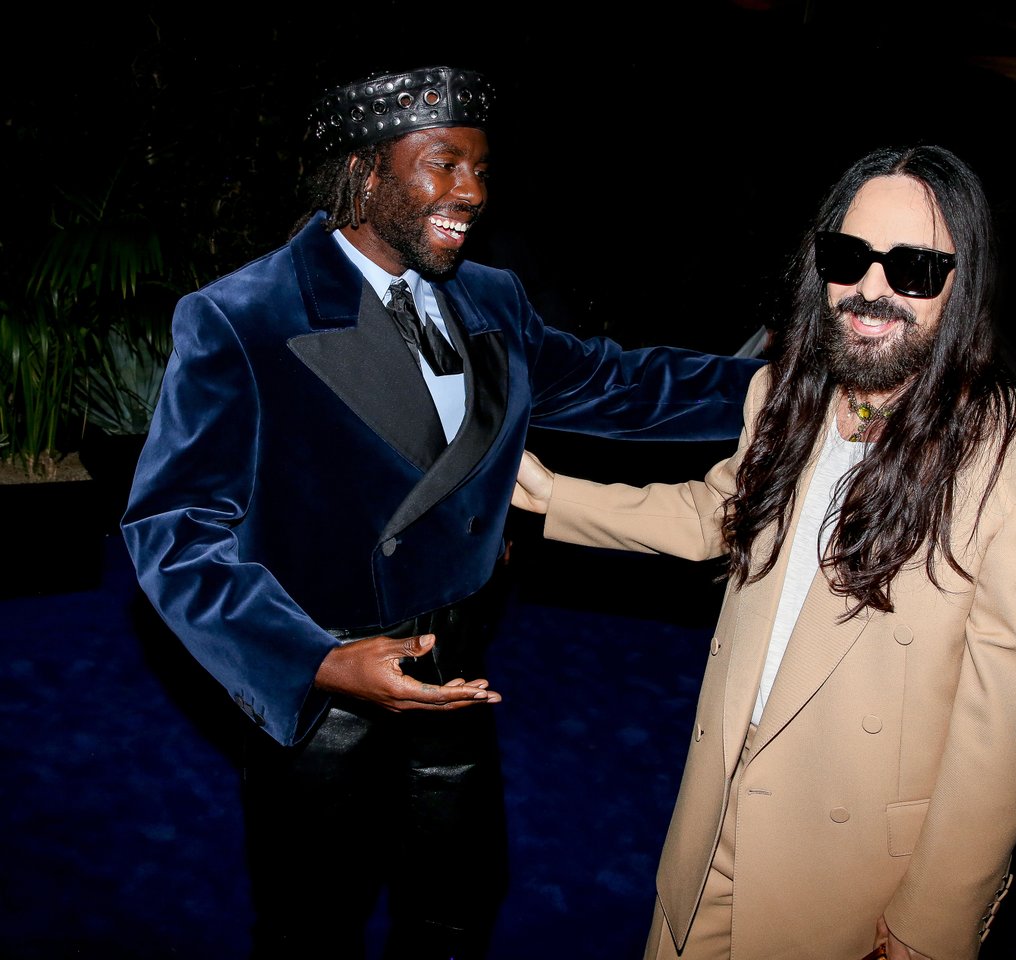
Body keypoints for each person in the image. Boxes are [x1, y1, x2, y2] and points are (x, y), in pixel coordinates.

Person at [121, 64, 760, 960]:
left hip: (459, 667)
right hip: (326, 687)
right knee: (315, 921)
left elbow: (621, 384)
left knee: (458, 900)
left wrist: (790, 385)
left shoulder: (489, 298)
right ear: (364, 171)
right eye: (444, 164)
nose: (472, 193)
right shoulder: (244, 317)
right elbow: (173, 532)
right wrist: (319, 662)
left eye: (482, 169)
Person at [512, 143, 1016, 960]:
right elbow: (719, 510)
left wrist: (931, 927)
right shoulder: (782, 394)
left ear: (965, 286)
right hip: (712, 819)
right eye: (849, 258)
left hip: (852, 878)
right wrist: (549, 496)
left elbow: (1009, 734)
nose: (871, 290)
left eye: (915, 270)